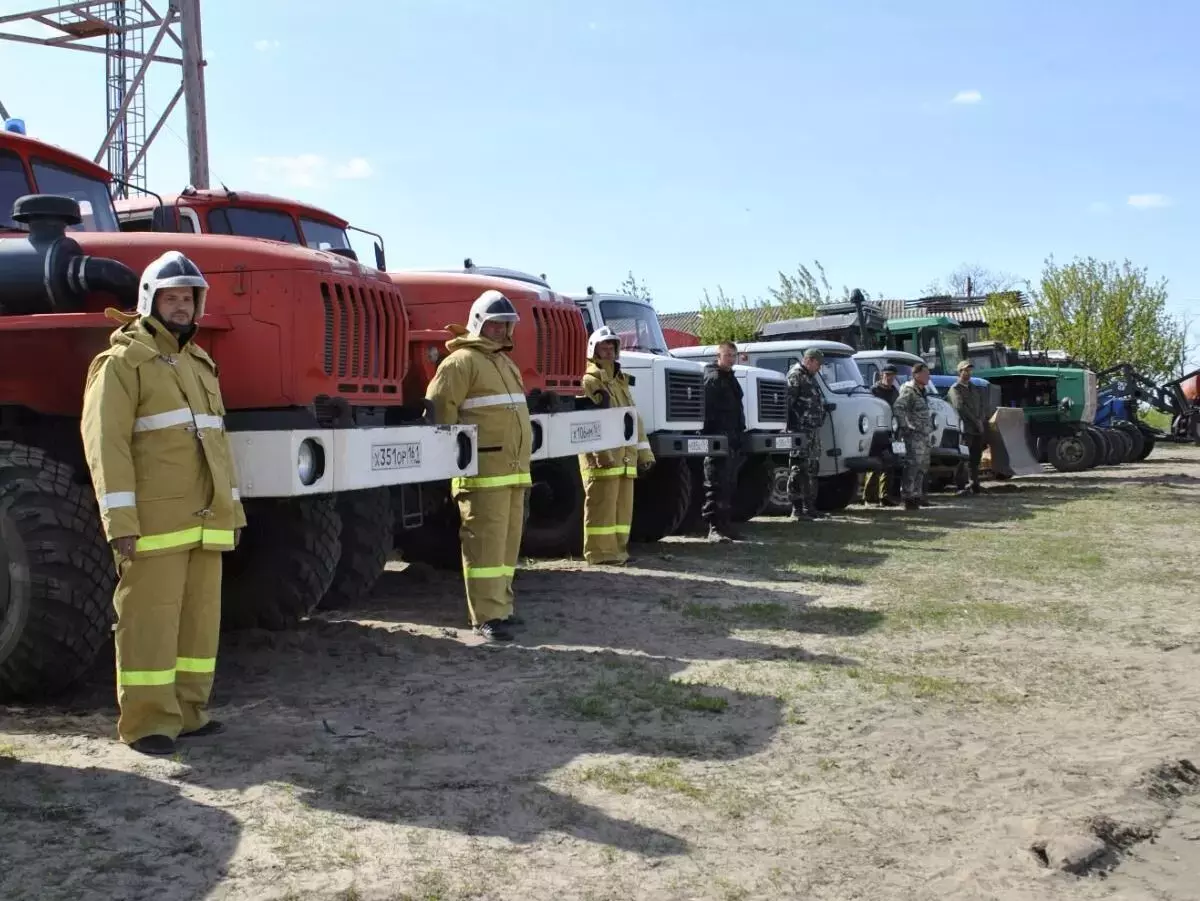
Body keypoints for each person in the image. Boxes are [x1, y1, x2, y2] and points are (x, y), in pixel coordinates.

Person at [80, 250, 245, 757]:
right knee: (148, 621)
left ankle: (189, 713)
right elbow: (105, 446)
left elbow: (217, 444)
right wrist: (120, 521)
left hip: (206, 522)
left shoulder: (200, 363)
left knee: (198, 624)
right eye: (171, 297)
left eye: (188, 298)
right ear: (150, 301)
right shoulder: (122, 363)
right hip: (153, 523)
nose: (180, 306)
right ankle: (148, 722)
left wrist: (232, 511)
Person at [425, 290, 533, 643]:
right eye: (495, 324)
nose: (501, 331)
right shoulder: (460, 362)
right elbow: (441, 412)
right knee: (485, 547)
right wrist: (449, 465)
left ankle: (501, 608)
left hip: (513, 472)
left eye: (506, 325)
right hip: (483, 474)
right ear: (478, 324)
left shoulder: (505, 363)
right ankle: (485, 617)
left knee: (505, 548)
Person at [577, 326, 654, 564]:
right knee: (601, 508)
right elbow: (587, 423)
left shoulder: (620, 381)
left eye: (612, 347)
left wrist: (645, 454)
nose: (609, 351)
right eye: (604, 347)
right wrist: (600, 454)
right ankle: (600, 554)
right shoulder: (589, 381)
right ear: (593, 350)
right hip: (603, 458)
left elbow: (633, 419)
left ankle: (618, 552)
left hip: (625, 458)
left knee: (621, 511)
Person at [701, 341, 747, 542]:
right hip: (718, 440)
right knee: (715, 485)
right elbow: (707, 413)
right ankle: (714, 528)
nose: (730, 359)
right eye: (727, 355)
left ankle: (725, 525)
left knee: (729, 485)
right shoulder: (713, 379)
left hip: (732, 439)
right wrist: (714, 437)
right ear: (718, 356)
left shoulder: (730, 379)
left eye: (733, 355)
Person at [786, 348, 829, 521]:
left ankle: (809, 507)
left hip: (812, 431)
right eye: (818, 364)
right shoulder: (796, 376)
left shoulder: (810, 377)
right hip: (800, 431)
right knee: (798, 468)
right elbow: (788, 403)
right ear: (809, 360)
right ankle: (796, 509)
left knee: (812, 468)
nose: (819, 368)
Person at [892, 361, 936, 510]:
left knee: (922, 466)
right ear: (916, 375)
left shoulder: (922, 390)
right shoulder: (909, 390)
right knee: (912, 465)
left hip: (924, 434)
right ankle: (908, 496)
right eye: (925, 374)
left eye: (928, 374)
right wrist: (905, 426)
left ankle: (917, 495)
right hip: (914, 435)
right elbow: (898, 407)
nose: (928, 376)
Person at [863, 364, 901, 507]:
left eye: (892, 375)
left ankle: (884, 496)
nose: (890, 378)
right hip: (876, 431)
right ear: (881, 375)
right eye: (887, 375)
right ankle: (869, 497)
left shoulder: (894, 392)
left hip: (891, 430)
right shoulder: (873, 391)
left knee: (889, 463)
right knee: (874, 464)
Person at [947, 360, 987, 496]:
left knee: (975, 458)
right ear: (960, 372)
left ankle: (974, 484)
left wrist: (981, 420)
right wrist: (976, 421)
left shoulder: (974, 388)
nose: (968, 373)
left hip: (977, 428)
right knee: (963, 458)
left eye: (970, 370)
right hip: (965, 429)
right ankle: (960, 486)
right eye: (965, 370)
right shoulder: (955, 389)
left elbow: (982, 405)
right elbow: (960, 407)